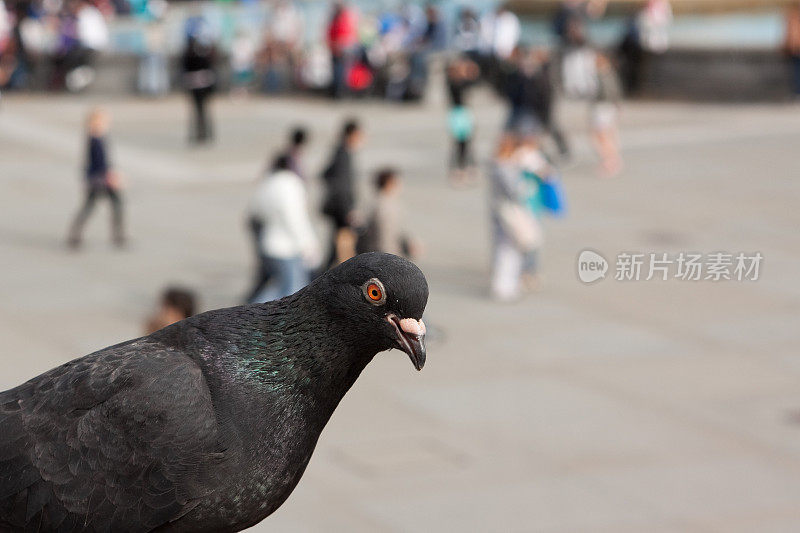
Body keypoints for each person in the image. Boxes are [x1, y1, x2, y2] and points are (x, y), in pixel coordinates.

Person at [248, 154, 320, 302]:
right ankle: (251, 315)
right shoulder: (290, 184)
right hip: (286, 248)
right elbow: (295, 218)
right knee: (293, 290)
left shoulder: (268, 183)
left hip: (269, 243)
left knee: (280, 286)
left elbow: (255, 213)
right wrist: (308, 244)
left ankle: (251, 313)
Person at [67, 108, 126, 249]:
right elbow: (100, 163)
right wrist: (112, 177)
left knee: (109, 205)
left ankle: (117, 236)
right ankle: (117, 236)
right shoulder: (95, 140)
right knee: (96, 206)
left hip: (97, 178)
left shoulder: (96, 138)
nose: (106, 124)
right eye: (103, 121)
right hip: (99, 179)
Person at [489, 133, 535, 301]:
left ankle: (506, 285)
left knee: (505, 252)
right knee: (509, 253)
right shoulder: (504, 168)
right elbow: (514, 192)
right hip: (508, 214)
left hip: (500, 213)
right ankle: (505, 286)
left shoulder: (496, 166)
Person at [320, 118, 363, 269]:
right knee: (342, 248)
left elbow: (325, 174)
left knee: (335, 249)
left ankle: (320, 278)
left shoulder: (341, 152)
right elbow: (342, 186)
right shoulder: (343, 156)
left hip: (338, 208)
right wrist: (348, 210)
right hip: (342, 210)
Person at [356, 167, 419, 258]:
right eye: (398, 182)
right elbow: (384, 239)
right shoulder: (386, 207)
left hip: (374, 255)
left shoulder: (374, 203)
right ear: (390, 184)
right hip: (385, 257)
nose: (401, 186)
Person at [446, 54, 480, 183]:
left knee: (467, 142)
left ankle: (467, 166)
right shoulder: (453, 83)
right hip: (458, 114)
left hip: (463, 113)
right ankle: (459, 168)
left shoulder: (460, 82)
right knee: (460, 142)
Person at [182, 31, 216, 144]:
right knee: (201, 111)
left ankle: (203, 134)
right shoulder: (199, 54)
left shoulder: (189, 55)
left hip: (197, 86)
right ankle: (203, 134)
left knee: (199, 111)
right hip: (200, 86)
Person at [591, 53, 623, 177]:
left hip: (603, 108)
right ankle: (611, 159)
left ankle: (611, 160)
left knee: (603, 136)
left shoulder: (602, 75)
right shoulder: (608, 74)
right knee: (606, 135)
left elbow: (607, 93)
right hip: (607, 108)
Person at [326, 1, 357, 99]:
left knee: (341, 71)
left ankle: (340, 92)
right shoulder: (335, 18)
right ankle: (336, 92)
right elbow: (330, 32)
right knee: (337, 71)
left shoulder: (345, 18)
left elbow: (348, 34)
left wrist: (340, 44)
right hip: (335, 47)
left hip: (342, 48)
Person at [785, 1, 800, 96]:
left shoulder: (792, 15)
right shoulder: (792, 15)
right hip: (795, 48)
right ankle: (797, 91)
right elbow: (790, 33)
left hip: (795, 46)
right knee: (796, 71)